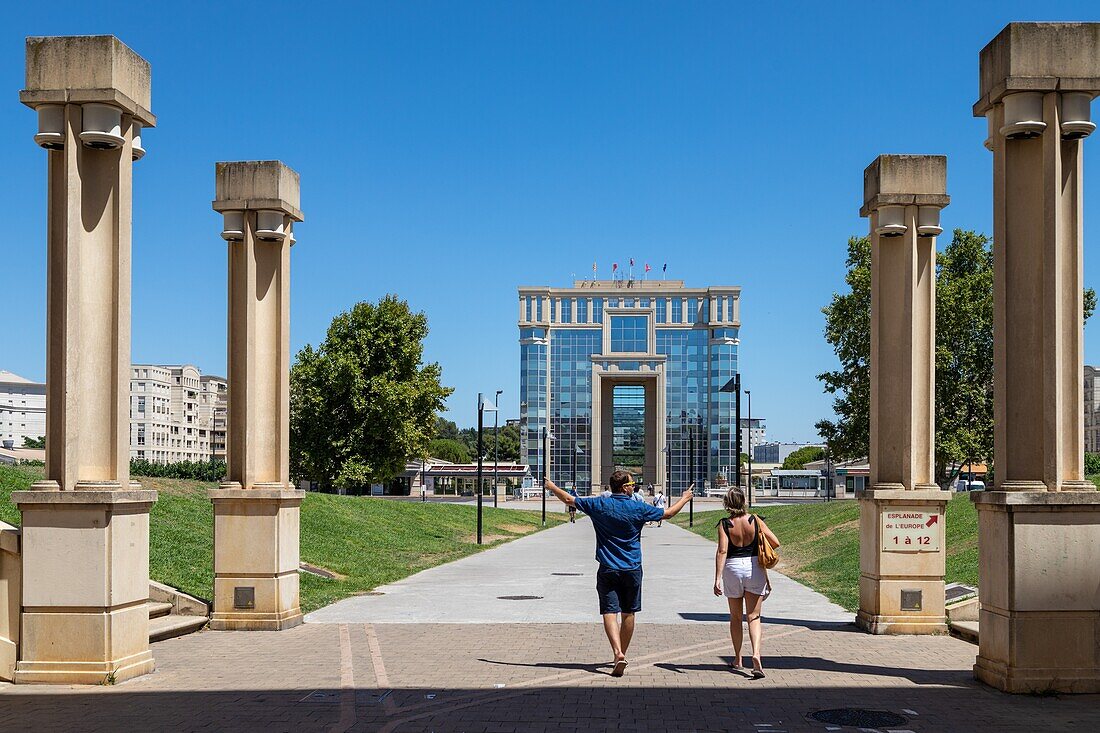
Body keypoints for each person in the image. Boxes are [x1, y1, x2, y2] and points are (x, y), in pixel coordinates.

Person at [546, 472, 693, 677]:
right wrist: (685, 498)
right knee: (629, 612)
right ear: (624, 487)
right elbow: (667, 514)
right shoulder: (638, 507)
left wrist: (552, 487)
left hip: (607, 567)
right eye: (632, 484)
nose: (634, 487)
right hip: (632, 567)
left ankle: (617, 653)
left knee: (609, 611)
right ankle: (621, 654)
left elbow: (569, 499)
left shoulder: (600, 505)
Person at [713, 486, 780, 679]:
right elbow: (774, 542)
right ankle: (756, 655)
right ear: (743, 501)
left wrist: (717, 578)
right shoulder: (755, 520)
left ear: (727, 503)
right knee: (754, 617)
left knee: (735, 617)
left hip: (733, 568)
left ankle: (737, 658)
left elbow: (722, 551)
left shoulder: (724, 524)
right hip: (754, 568)